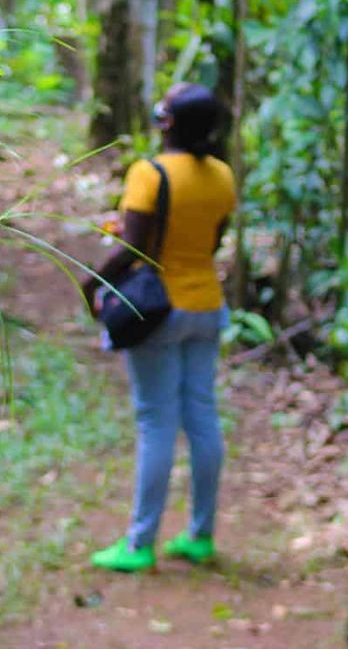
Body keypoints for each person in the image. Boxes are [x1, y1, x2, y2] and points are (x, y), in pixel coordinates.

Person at [83, 84, 236, 573]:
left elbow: (134, 250)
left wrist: (90, 282)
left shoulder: (149, 174)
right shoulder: (222, 176)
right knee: (202, 417)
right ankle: (200, 535)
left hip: (159, 310)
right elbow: (208, 243)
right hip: (207, 306)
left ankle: (139, 543)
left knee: (156, 423)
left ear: (166, 124)